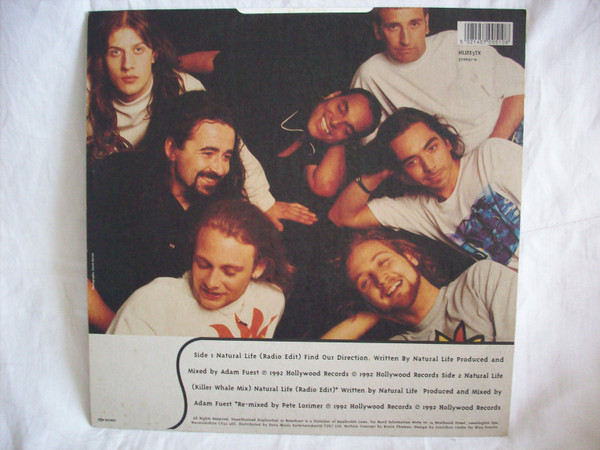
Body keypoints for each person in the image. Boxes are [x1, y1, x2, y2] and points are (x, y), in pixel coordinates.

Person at [86, 10, 316, 230]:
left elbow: (229, 144)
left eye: (138, 50)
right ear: (102, 59)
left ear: (154, 53)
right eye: (115, 52)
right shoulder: (84, 93)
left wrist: (264, 201)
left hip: (158, 195)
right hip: (111, 195)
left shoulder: (181, 86)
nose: (128, 64)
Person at [88, 91, 247, 332]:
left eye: (226, 156)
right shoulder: (116, 178)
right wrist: (125, 331)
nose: (220, 168)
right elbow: (71, 270)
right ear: (172, 148)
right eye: (208, 153)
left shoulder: (225, 205)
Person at [328, 107, 522, 270]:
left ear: (446, 142)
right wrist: (380, 173)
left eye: (431, 148)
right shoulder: (419, 209)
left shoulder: (490, 156)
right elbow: (341, 216)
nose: (429, 166)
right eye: (412, 162)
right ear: (402, 174)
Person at [108, 200, 292, 337]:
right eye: (203, 264)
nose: (211, 282)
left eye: (229, 272)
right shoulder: (150, 305)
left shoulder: (272, 299)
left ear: (259, 267)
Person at [351, 7, 525, 151]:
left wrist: (494, 148)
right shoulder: (370, 75)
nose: (406, 39)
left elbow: (520, 88)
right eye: (393, 27)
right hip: (457, 172)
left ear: (426, 24)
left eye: (414, 24)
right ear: (377, 30)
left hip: (512, 134)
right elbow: (372, 150)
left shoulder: (454, 42)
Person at [322, 230, 517, 342]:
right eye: (365, 282)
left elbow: (520, 363)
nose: (380, 279)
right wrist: (370, 312)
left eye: (383, 261)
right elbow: (318, 364)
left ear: (410, 256)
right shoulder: (398, 350)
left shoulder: (481, 280)